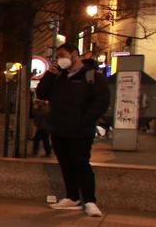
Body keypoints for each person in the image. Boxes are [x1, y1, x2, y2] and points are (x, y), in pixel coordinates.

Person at [36, 44, 110, 218]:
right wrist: (49, 75)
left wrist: (85, 121)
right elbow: (42, 93)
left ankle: (90, 200)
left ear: (74, 55)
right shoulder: (59, 77)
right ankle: (72, 197)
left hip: (80, 130)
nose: (60, 59)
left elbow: (101, 102)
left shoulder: (92, 77)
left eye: (63, 55)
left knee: (81, 163)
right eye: (58, 56)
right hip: (59, 128)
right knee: (65, 163)